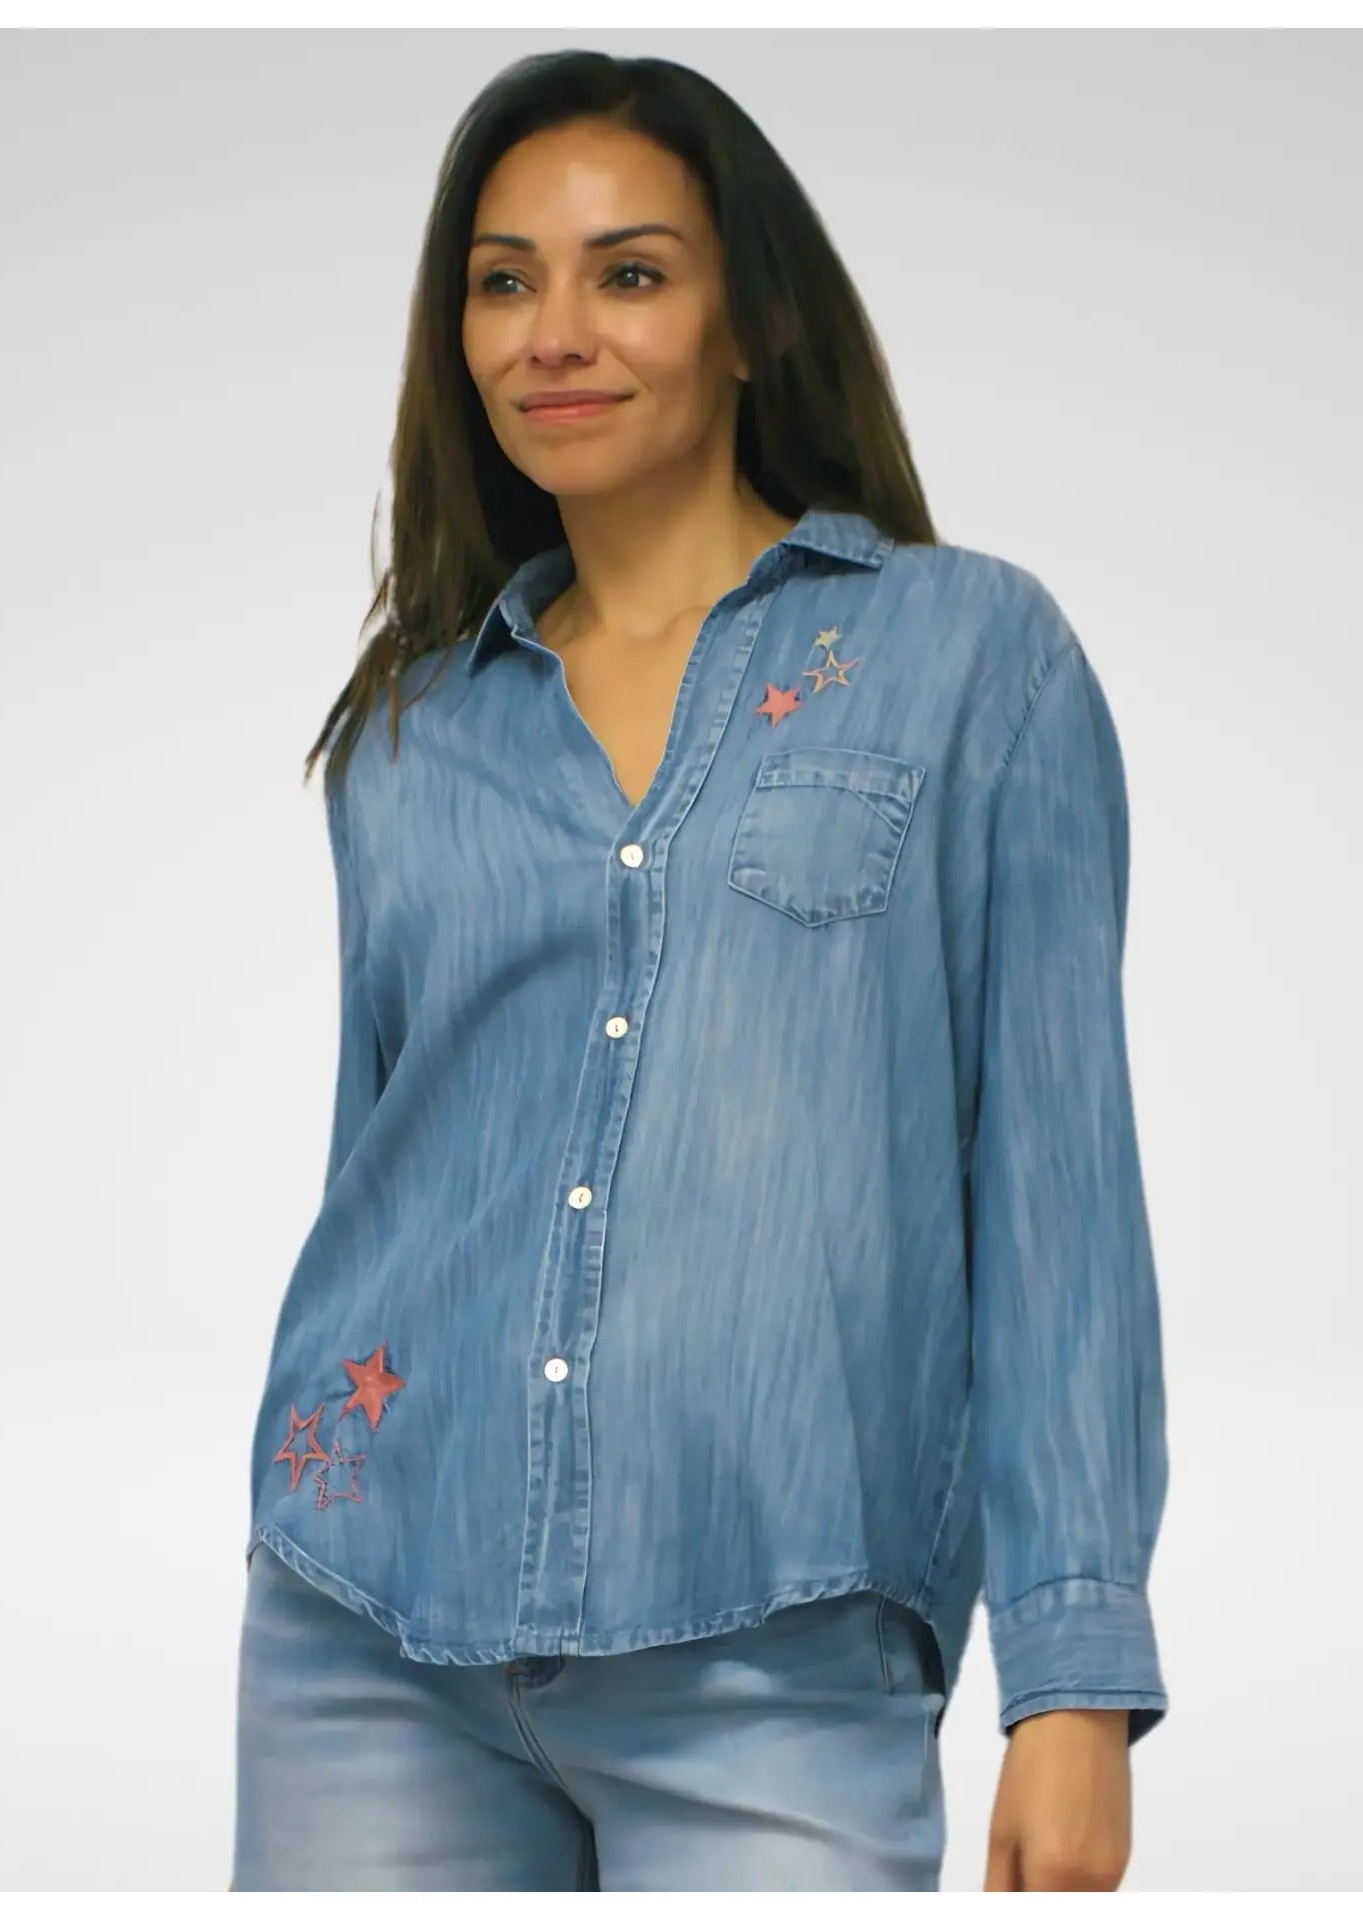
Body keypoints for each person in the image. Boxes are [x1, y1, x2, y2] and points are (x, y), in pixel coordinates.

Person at [230, 47, 1170, 1894]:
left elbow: (1058, 1192)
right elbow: (383, 1170)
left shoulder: (970, 657)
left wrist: (1073, 1679)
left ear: (750, 319)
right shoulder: (414, 735)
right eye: (504, 280)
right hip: (364, 1635)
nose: (553, 332)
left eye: (629, 272)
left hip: (777, 1656)